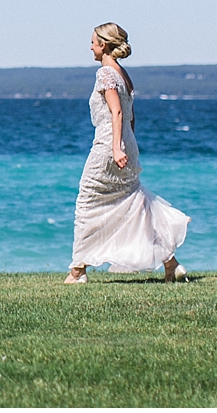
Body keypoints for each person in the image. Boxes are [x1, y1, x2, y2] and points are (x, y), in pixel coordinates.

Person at [65, 23, 189, 284]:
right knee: (135, 203)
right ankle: (171, 264)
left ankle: (78, 271)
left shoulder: (105, 74)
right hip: (126, 142)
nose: (90, 47)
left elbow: (117, 113)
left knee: (87, 202)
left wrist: (116, 147)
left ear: (104, 45)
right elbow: (131, 116)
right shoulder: (123, 74)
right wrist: (129, 145)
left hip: (110, 143)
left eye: (93, 42)